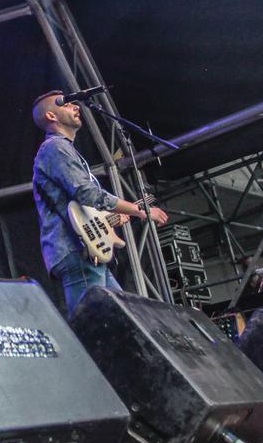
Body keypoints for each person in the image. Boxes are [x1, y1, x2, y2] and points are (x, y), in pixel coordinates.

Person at [31, 90, 169, 315]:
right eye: (66, 104)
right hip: (75, 248)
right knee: (91, 325)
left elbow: (82, 205)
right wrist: (140, 210)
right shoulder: (54, 148)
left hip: (87, 248)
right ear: (51, 116)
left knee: (121, 316)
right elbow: (89, 194)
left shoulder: (64, 150)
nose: (76, 107)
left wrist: (107, 221)